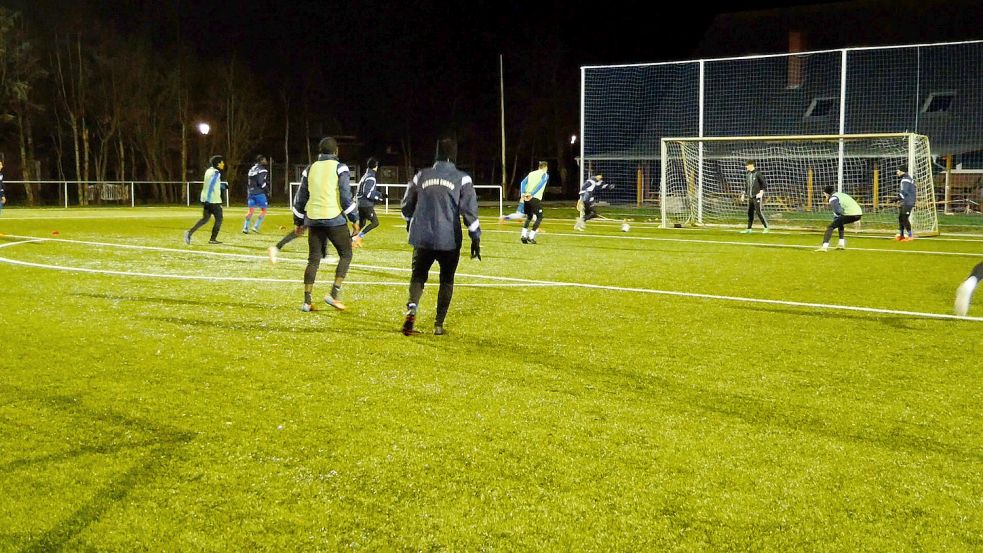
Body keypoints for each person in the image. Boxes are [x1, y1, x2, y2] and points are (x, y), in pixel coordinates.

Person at [400, 137, 481, 336]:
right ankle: (438, 324)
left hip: (423, 237)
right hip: (449, 239)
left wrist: (409, 220)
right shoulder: (462, 178)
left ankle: (412, 309)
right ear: (454, 155)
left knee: (418, 276)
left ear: (436, 154)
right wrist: (475, 237)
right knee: (446, 280)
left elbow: (406, 205)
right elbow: (469, 212)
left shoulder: (421, 176)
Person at [292, 137, 360, 311]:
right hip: (333, 219)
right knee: (346, 254)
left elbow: (300, 198)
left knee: (313, 259)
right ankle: (333, 294)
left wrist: (298, 221)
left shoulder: (310, 168)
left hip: (313, 220)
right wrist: (354, 219)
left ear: (320, 151)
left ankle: (307, 301)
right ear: (336, 151)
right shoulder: (340, 167)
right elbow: (346, 196)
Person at [184, 155, 227, 245]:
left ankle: (189, 233)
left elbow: (211, 183)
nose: (223, 164)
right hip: (213, 200)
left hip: (205, 199)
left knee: (205, 219)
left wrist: (222, 186)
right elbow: (211, 185)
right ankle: (213, 239)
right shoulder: (216, 173)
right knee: (219, 219)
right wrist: (209, 198)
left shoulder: (208, 171)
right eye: (222, 162)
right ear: (218, 163)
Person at [816, 185, 862, 251]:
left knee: (830, 227)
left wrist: (843, 215)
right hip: (858, 213)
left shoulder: (833, 198)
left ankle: (824, 247)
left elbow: (838, 211)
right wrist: (857, 219)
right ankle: (841, 244)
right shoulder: (840, 194)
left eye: (824, 194)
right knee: (839, 223)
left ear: (826, 193)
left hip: (850, 214)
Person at [352, 157, 387, 247]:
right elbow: (367, 193)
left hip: (360, 203)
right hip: (366, 204)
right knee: (375, 222)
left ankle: (351, 240)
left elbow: (368, 190)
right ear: (375, 166)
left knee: (362, 223)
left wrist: (380, 194)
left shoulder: (365, 175)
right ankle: (358, 237)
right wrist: (378, 198)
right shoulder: (371, 177)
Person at [519, 160, 548, 244]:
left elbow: (523, 182)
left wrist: (523, 193)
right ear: (545, 167)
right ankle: (531, 236)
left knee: (529, 216)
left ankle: (523, 235)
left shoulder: (531, 173)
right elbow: (541, 184)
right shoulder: (545, 174)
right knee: (539, 217)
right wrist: (532, 194)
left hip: (526, 198)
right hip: (534, 198)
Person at [242, 154, 270, 234]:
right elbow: (261, 182)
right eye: (264, 160)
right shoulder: (263, 170)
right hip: (259, 193)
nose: (266, 161)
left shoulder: (252, 169)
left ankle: (245, 228)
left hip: (250, 193)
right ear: (261, 160)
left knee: (250, 211)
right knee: (264, 210)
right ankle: (255, 227)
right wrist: (267, 189)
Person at [739, 160, 768, 233]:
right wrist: (743, 194)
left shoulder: (757, 173)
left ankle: (766, 227)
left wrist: (761, 192)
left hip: (757, 196)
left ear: (751, 165)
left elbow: (764, 184)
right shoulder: (748, 174)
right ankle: (749, 229)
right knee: (750, 212)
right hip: (750, 197)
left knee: (758, 212)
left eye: (747, 165)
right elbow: (746, 186)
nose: (746, 167)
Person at [895, 166, 916, 241]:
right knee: (901, 218)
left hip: (908, 201)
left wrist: (897, 198)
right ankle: (901, 235)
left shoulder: (906, 179)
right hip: (905, 201)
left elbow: (905, 191)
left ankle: (910, 236)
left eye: (898, 171)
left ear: (902, 171)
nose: (897, 173)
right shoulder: (906, 178)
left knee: (904, 218)